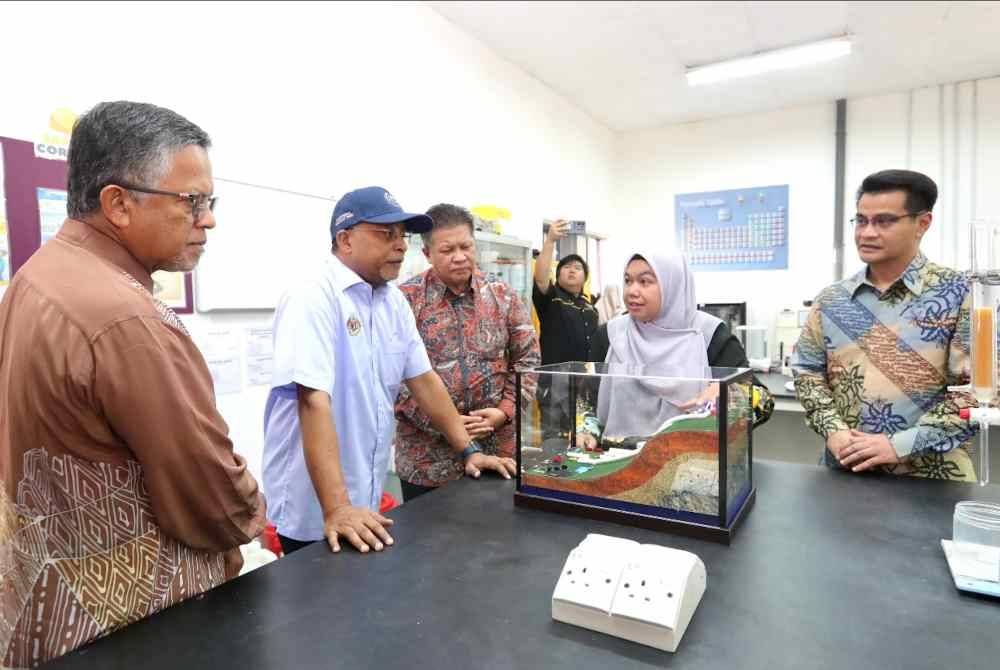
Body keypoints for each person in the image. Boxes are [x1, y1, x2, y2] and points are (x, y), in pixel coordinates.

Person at [0, 101, 266, 667]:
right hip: (135, 622)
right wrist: (256, 514)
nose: (208, 220)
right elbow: (207, 493)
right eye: (192, 201)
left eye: (210, 202)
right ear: (118, 204)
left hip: (48, 608)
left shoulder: (35, 277)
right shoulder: (128, 319)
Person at [263, 187, 515, 556]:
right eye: (386, 234)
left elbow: (424, 380)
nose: (400, 246)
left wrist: (469, 451)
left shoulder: (392, 302)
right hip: (316, 505)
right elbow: (312, 401)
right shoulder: (313, 297)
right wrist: (338, 508)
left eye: (402, 236)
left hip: (362, 497)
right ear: (345, 240)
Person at [792, 169, 977, 480]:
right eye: (861, 220)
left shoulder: (960, 294)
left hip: (933, 480)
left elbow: (976, 392)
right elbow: (807, 372)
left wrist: (899, 445)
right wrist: (834, 430)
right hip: (846, 473)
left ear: (923, 223)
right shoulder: (832, 300)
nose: (867, 233)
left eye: (884, 221)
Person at [394, 204, 538, 501]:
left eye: (466, 247)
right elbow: (392, 376)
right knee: (427, 531)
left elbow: (528, 359)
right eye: (447, 250)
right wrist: (449, 423)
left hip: (497, 451)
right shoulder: (404, 301)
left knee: (499, 528)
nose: (459, 257)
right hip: (428, 461)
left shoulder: (503, 296)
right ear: (427, 253)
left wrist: (505, 410)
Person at [581, 252, 772, 445]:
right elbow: (585, 399)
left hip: (689, 456)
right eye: (628, 281)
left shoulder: (709, 335)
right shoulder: (610, 335)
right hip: (617, 456)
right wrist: (586, 430)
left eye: (644, 281)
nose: (632, 291)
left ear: (672, 286)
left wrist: (730, 394)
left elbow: (764, 401)